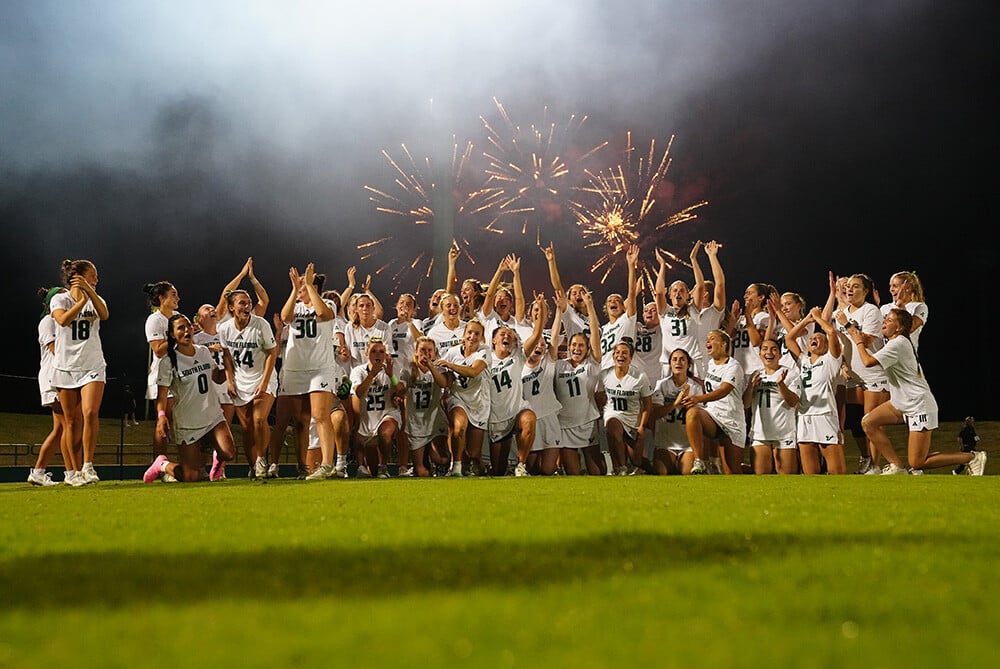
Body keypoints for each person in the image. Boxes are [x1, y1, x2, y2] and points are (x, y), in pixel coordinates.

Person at [848, 308, 985, 475]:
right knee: (869, 422)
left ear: (899, 328)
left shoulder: (898, 343)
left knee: (918, 462)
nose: (884, 321)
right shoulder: (894, 342)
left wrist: (858, 342)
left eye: (889, 320)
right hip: (901, 402)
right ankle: (897, 467)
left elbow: (868, 361)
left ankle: (971, 457)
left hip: (918, 404)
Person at [266, 265, 343, 480]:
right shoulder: (297, 306)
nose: (300, 287)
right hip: (295, 368)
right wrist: (294, 289)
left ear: (314, 285)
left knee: (320, 415)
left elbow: (323, 314)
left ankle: (327, 464)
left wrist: (308, 286)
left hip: (320, 368)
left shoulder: (327, 303)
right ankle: (302, 466)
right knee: (300, 420)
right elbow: (285, 316)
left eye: (303, 284)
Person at [143, 313, 236, 483]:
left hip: (212, 415)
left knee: (228, 453)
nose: (186, 330)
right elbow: (162, 394)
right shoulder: (168, 361)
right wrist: (161, 416)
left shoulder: (203, 352)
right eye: (180, 328)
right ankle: (162, 464)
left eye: (188, 326)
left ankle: (208, 450)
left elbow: (216, 377)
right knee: (190, 477)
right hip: (188, 423)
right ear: (172, 335)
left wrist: (230, 365)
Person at [50, 259, 109, 486]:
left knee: (90, 412)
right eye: (93, 275)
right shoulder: (60, 298)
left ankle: (88, 465)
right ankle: (71, 472)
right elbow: (63, 320)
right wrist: (81, 299)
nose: (96, 279)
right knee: (71, 422)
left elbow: (104, 314)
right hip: (66, 367)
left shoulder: (96, 299)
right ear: (80, 276)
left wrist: (88, 293)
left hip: (92, 364)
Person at [825, 272, 889, 474]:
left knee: (871, 421)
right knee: (854, 421)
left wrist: (846, 323)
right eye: (848, 286)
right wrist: (843, 363)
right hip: (853, 375)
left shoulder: (870, 311)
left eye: (855, 286)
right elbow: (840, 343)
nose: (850, 289)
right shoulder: (841, 313)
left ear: (866, 291)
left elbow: (868, 340)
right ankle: (866, 458)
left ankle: (875, 466)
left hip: (872, 373)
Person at [218, 288, 278, 478]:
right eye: (242, 303)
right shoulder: (225, 328)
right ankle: (252, 466)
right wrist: (229, 381)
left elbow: (272, 353)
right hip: (240, 381)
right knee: (246, 428)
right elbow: (226, 356)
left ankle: (261, 460)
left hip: (263, 378)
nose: (247, 306)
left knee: (259, 419)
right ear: (231, 307)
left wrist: (265, 382)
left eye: (249, 302)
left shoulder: (261, 324)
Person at [486, 294, 546, 477]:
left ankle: (521, 465)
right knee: (498, 470)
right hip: (497, 417)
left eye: (510, 336)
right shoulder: (484, 360)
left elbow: (536, 334)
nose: (506, 336)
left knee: (529, 419)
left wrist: (541, 309)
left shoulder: (517, 356)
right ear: (493, 340)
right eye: (502, 334)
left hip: (517, 411)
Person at [783, 308, 847, 475]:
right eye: (812, 338)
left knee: (837, 472)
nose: (814, 338)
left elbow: (831, 332)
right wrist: (806, 320)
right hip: (804, 416)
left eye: (819, 338)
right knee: (810, 473)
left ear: (826, 346)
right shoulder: (803, 361)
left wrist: (818, 318)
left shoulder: (830, 361)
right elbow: (789, 338)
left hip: (824, 415)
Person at [553, 291, 605, 475]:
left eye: (581, 345)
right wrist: (559, 311)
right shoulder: (559, 366)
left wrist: (590, 307)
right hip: (564, 424)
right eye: (573, 345)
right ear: (568, 347)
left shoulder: (592, 365)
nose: (577, 348)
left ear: (587, 349)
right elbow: (552, 344)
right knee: (573, 474)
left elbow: (595, 338)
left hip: (587, 423)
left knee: (597, 471)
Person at [681, 329, 746, 474]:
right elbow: (710, 385)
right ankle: (700, 461)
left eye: (712, 339)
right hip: (713, 415)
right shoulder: (710, 363)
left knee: (733, 472)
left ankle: (748, 470)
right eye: (707, 339)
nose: (707, 342)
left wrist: (698, 398)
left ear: (723, 344)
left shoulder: (733, 366)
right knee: (693, 413)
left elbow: (723, 390)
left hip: (732, 420)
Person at [28, 287, 74, 486]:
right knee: (65, 427)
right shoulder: (47, 322)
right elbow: (56, 350)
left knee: (59, 429)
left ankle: (39, 472)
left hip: (60, 376)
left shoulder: (60, 321)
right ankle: (71, 473)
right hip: (52, 378)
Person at [436, 319, 490, 476]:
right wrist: (434, 370)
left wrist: (451, 365)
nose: (472, 336)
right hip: (458, 397)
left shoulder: (484, 352)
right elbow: (446, 380)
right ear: (464, 334)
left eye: (477, 334)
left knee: (473, 452)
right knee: (459, 427)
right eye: (470, 332)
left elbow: (473, 372)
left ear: (481, 337)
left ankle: (473, 464)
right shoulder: (453, 352)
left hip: (479, 403)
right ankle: (456, 466)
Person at [521, 291, 566, 475]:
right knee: (531, 468)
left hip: (549, 416)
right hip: (531, 419)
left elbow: (554, 335)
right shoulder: (519, 365)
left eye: (542, 344)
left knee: (547, 470)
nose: (539, 346)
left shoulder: (548, 361)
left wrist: (559, 311)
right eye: (536, 344)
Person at [743, 338, 801, 474]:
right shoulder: (756, 374)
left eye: (774, 349)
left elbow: (793, 402)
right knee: (761, 478)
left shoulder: (789, 373)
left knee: (787, 476)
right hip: (760, 433)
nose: (769, 352)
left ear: (780, 355)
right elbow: (745, 404)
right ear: (760, 354)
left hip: (784, 433)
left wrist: (781, 385)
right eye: (765, 349)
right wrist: (751, 387)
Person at [350, 336, 406, 478]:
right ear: (366, 353)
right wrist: (372, 375)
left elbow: (401, 390)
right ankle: (361, 466)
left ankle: (384, 467)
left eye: (381, 352)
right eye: (374, 351)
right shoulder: (358, 371)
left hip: (387, 413)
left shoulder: (392, 369)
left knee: (385, 432)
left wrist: (391, 376)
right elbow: (359, 392)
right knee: (371, 471)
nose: (378, 355)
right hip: (367, 417)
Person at [398, 336, 452, 477]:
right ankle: (422, 462)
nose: (426, 354)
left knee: (441, 459)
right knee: (422, 472)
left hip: (434, 420)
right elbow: (400, 389)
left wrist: (431, 366)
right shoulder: (408, 370)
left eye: (430, 351)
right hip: (416, 422)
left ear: (434, 353)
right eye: (422, 350)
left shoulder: (438, 369)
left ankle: (439, 461)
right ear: (416, 351)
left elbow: (443, 383)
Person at [601, 340, 653, 475]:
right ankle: (620, 468)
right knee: (613, 428)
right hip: (613, 414)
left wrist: (642, 426)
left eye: (625, 353)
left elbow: (647, 404)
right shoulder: (605, 374)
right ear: (613, 356)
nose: (620, 355)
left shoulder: (640, 377)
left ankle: (647, 470)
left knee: (637, 461)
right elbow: (599, 395)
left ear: (631, 358)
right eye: (617, 352)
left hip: (632, 421)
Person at [650, 348, 704, 475]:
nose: (678, 362)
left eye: (682, 359)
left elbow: (699, 418)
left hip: (687, 444)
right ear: (670, 364)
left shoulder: (695, 387)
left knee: (686, 473)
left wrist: (689, 403)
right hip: (666, 443)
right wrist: (675, 403)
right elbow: (655, 414)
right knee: (661, 472)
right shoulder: (661, 385)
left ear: (688, 365)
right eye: (674, 359)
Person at [143, 280, 180, 461]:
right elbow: (158, 350)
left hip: (180, 374)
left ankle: (186, 463)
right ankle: (160, 463)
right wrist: (177, 337)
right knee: (164, 421)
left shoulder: (178, 316)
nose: (178, 298)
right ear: (161, 298)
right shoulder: (154, 319)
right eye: (173, 294)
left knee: (179, 421)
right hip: (162, 375)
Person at [879, 271, 928, 353]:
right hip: (885, 356)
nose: (891, 289)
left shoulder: (919, 307)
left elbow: (910, 327)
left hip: (905, 357)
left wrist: (900, 303)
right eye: (890, 286)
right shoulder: (885, 308)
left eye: (895, 286)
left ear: (908, 288)